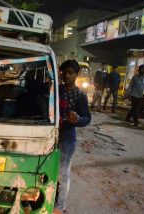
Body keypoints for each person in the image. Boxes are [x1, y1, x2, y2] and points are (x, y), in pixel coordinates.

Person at [54, 60, 91, 213]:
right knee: (51, 171)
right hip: (51, 137)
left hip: (67, 139)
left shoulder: (80, 95)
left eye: (71, 73)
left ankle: (60, 206)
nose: (67, 76)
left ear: (77, 74)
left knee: (63, 174)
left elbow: (87, 118)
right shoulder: (57, 89)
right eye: (64, 72)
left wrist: (78, 120)